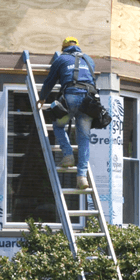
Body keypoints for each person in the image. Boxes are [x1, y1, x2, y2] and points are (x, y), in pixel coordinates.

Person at [36, 37, 95, 190]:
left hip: (70, 97)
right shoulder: (88, 59)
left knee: (58, 125)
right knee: (84, 138)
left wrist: (42, 98)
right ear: (78, 47)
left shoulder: (61, 60)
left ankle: (68, 155)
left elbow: (50, 81)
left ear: (63, 48)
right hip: (88, 100)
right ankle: (82, 177)